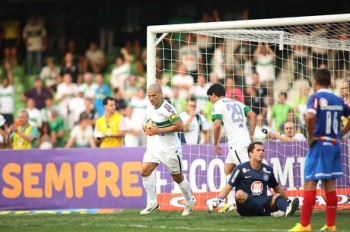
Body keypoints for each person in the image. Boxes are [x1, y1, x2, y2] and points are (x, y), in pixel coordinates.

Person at [289, 69, 350, 231]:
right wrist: (340, 134)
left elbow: (310, 117)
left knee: (310, 183)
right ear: (330, 83)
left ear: (314, 83)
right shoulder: (338, 99)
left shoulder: (315, 97)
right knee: (329, 186)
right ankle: (331, 224)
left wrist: (311, 137)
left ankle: (304, 225)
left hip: (320, 144)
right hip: (334, 145)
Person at [140, 83, 196, 216]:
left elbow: (179, 125)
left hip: (170, 149)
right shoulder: (151, 107)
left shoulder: (167, 108)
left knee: (177, 177)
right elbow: (151, 123)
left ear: (161, 95)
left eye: (154, 95)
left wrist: (158, 130)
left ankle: (189, 200)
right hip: (155, 146)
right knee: (145, 171)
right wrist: (147, 128)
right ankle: (152, 202)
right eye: (149, 96)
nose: (151, 98)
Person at [209, 142, 299, 217]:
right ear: (250, 154)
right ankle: (267, 214)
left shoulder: (267, 170)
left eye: (263, 150)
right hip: (246, 205)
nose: (261, 152)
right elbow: (228, 187)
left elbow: (277, 188)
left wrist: (288, 200)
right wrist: (219, 200)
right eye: (258, 150)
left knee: (277, 196)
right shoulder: (241, 168)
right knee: (239, 194)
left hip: (262, 201)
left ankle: (288, 209)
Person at [207, 83, 257, 213]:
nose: (210, 100)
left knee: (252, 173)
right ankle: (231, 202)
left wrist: (215, 143)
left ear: (213, 95)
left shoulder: (217, 105)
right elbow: (253, 115)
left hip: (238, 145)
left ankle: (269, 201)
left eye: (209, 97)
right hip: (241, 142)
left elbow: (217, 125)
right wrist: (251, 134)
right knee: (228, 168)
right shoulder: (237, 103)